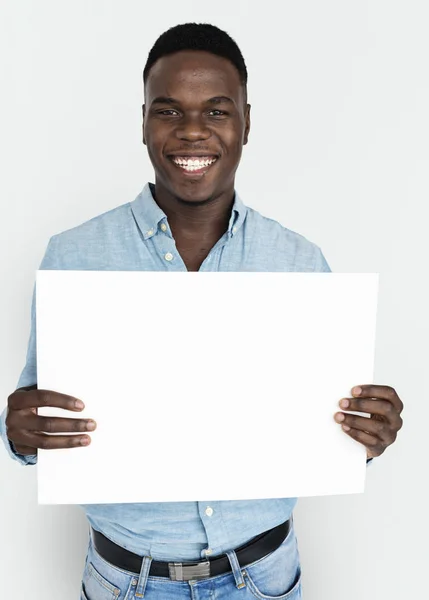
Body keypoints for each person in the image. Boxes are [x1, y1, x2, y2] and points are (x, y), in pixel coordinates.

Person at [0, 22, 404, 600]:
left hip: (263, 578)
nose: (192, 132)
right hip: (124, 583)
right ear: (143, 122)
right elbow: (33, 418)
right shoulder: (73, 255)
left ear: (246, 122)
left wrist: (363, 435)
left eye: (216, 112)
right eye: (169, 112)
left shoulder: (299, 262)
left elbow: (322, 428)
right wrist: (18, 433)